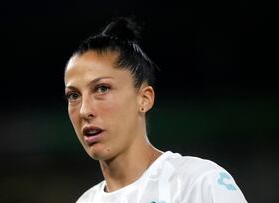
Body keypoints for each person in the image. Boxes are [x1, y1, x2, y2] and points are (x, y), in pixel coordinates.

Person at [64, 17, 247, 203]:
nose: (84, 110)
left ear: (144, 99)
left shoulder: (199, 183)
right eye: (73, 96)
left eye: (102, 88)